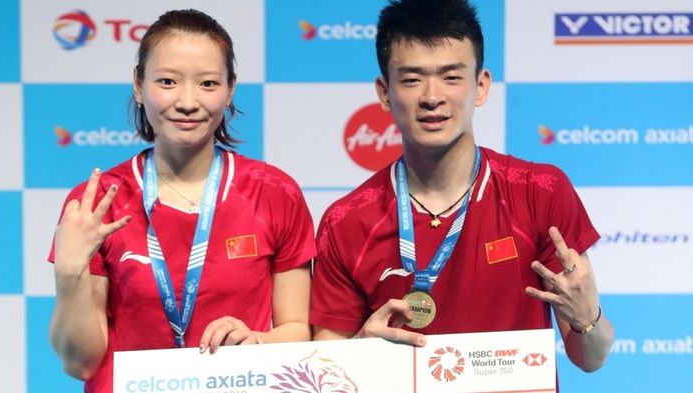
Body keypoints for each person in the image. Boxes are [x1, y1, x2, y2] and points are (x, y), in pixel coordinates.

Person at [310, 0, 614, 379]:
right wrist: (359, 353)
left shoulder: (541, 191)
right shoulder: (346, 221)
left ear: (481, 86)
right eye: (412, 79)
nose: (432, 96)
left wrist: (588, 318)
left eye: (451, 77)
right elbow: (327, 374)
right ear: (385, 92)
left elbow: (592, 357)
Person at [49, 9, 316, 392]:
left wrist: (258, 341)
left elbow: (298, 330)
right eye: (168, 82)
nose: (188, 101)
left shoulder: (274, 192)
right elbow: (80, 363)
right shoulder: (98, 202)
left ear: (230, 89)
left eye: (208, 83)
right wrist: (69, 272)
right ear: (139, 86)